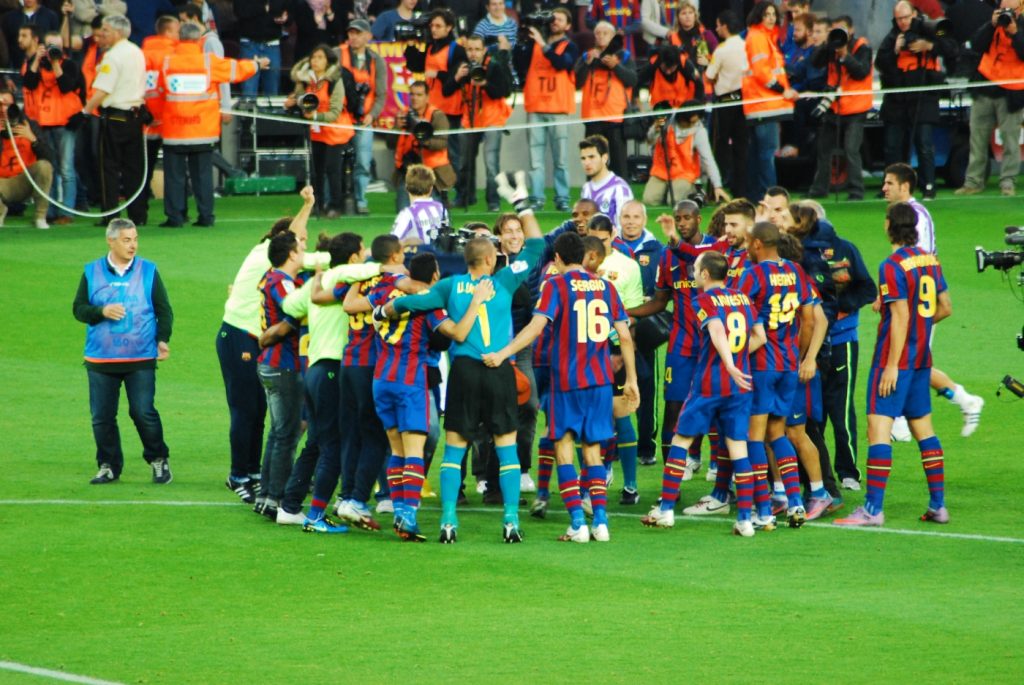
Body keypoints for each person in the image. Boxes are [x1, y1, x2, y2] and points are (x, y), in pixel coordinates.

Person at [376, 171, 545, 544]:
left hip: (465, 371)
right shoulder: (503, 281)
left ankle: (449, 521)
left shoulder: (449, 285)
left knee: (455, 447)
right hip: (500, 367)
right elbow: (536, 246)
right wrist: (521, 202)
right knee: (505, 445)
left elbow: (413, 303)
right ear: (489, 259)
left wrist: (384, 311)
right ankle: (511, 520)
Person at [487, 231, 639, 543]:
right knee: (594, 452)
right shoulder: (607, 287)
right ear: (585, 257)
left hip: (567, 382)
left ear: (556, 258)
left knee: (564, 449)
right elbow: (624, 336)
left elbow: (536, 326)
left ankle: (576, 524)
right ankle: (600, 522)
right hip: (599, 383)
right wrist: (632, 380)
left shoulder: (556, 284)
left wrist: (504, 353)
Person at [835, 202, 952, 527]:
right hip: (920, 363)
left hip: (895, 363)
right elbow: (945, 307)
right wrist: (921, 326)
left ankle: (872, 510)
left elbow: (900, 316)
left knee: (878, 430)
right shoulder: (930, 259)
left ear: (890, 225)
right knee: (924, 431)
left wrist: (890, 365)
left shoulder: (892, 265)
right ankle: (938, 506)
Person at [363, 250, 490, 540]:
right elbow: (457, 332)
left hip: (382, 378)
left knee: (396, 450)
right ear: (435, 276)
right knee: (414, 452)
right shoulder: (429, 305)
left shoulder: (387, 294)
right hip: (410, 382)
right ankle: (408, 514)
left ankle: (399, 510)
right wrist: (475, 303)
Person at [641, 250, 765, 537]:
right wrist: (738, 361)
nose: (692, 273)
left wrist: (729, 363)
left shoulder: (703, 300)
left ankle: (666, 510)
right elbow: (760, 336)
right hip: (740, 386)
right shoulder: (743, 299)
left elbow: (718, 329)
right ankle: (745, 520)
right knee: (738, 447)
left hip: (711, 382)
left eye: (696, 269)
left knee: (682, 440)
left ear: (706, 274)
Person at [218, 188, 322, 503]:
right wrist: (308, 204)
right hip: (238, 335)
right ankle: (238, 475)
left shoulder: (278, 267)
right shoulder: (266, 251)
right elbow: (295, 232)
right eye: (300, 242)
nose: (304, 246)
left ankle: (256, 475)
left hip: (255, 338)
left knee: (262, 411)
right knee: (246, 409)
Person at [882, 163, 985, 438]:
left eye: (889, 183)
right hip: (915, 297)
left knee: (907, 360)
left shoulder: (916, 216)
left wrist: (902, 297)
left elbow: (922, 261)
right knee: (916, 363)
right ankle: (963, 401)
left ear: (904, 186)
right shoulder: (908, 214)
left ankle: (903, 420)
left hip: (919, 299)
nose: (884, 188)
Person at [73, 219, 173, 486]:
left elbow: (164, 310)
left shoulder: (149, 270)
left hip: (140, 356)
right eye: (127, 240)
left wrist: (162, 339)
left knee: (143, 412)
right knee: (102, 417)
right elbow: (79, 309)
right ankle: (108, 466)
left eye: (135, 239)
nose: (133, 245)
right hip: (101, 358)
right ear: (111, 240)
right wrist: (100, 311)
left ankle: (158, 459)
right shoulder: (92, 271)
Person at [628, 200, 716, 476]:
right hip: (681, 344)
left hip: (714, 343)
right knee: (674, 407)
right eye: (678, 218)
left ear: (698, 219)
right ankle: (673, 478)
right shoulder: (667, 256)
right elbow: (659, 301)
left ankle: (713, 465)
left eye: (687, 218)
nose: (682, 223)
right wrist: (626, 313)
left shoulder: (714, 251)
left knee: (716, 405)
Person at [157, 22, 263, 228]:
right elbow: (237, 70)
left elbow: (159, 93)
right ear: (199, 40)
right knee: (203, 176)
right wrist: (258, 64)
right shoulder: (208, 62)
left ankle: (175, 217)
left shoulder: (167, 62)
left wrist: (157, 116)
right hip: (202, 130)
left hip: (174, 130)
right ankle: (206, 216)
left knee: (174, 177)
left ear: (179, 38)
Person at [876, 1, 958, 201]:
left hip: (923, 97)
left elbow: (950, 46)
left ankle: (928, 186)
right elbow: (880, 63)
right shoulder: (892, 36)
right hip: (897, 100)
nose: (902, 22)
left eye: (905, 17)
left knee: (924, 143)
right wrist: (894, 50)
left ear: (913, 14)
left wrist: (929, 46)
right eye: (899, 19)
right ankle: (890, 187)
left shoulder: (930, 29)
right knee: (893, 145)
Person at [252, 231, 308, 520]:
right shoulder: (281, 281)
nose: (305, 249)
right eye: (301, 246)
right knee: (286, 434)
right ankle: (276, 497)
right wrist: (278, 331)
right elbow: (293, 311)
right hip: (283, 364)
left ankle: (265, 495)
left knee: (278, 432)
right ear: (291, 254)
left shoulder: (272, 277)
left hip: (273, 362)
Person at [81, 14, 147, 227]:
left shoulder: (112, 56)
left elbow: (102, 90)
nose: (102, 34)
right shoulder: (137, 51)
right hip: (135, 116)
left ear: (117, 32)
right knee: (134, 170)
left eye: (106, 30)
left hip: (115, 118)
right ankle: (138, 215)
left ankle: (110, 215)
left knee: (108, 168)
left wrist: (86, 110)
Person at [955, 0, 1024, 197]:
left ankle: (1008, 183)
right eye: (1002, 10)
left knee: (1010, 140)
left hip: (1012, 92)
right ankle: (973, 182)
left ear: (1020, 9)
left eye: (1009, 10)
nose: (1005, 14)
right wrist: (990, 25)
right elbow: (974, 45)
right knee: (976, 138)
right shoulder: (992, 25)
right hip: (985, 86)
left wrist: (1014, 32)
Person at [513, 6, 579, 212]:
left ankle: (562, 198)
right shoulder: (534, 44)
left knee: (560, 160)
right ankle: (537, 198)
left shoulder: (570, 46)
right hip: (536, 107)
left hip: (558, 109)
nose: (554, 22)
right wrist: (523, 39)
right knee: (536, 161)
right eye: (553, 19)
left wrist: (542, 44)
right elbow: (519, 63)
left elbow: (562, 64)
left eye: (559, 19)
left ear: (568, 25)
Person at [807, 15, 873, 201]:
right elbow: (815, 62)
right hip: (834, 106)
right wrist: (826, 45)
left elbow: (861, 72)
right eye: (836, 30)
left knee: (851, 149)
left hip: (856, 108)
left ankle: (856, 191)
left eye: (842, 29)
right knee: (823, 148)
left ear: (851, 30)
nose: (840, 34)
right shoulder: (831, 48)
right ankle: (819, 189)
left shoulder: (862, 47)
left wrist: (845, 55)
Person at [285, 43, 354, 219]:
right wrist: (293, 103)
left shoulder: (335, 80)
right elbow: (301, 101)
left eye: (320, 57)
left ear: (328, 61)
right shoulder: (305, 80)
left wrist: (316, 116)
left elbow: (335, 111)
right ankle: (318, 204)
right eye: (313, 57)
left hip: (335, 131)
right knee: (317, 170)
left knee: (333, 169)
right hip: (317, 132)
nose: (315, 61)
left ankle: (335, 206)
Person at [403, 9, 466, 201]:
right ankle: (435, 190)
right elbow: (414, 65)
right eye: (432, 26)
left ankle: (458, 193)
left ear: (449, 28)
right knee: (429, 152)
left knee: (453, 155)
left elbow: (457, 80)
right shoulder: (430, 47)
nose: (433, 29)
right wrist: (411, 44)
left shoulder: (456, 49)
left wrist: (437, 74)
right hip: (432, 109)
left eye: (438, 26)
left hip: (450, 109)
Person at [449, 33, 514, 211]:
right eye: (470, 49)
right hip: (468, 119)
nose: (473, 54)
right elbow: (448, 89)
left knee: (491, 163)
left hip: (492, 119)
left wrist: (484, 83)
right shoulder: (462, 67)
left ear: (484, 50)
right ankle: (464, 197)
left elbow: (504, 91)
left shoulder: (494, 65)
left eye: (477, 49)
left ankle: (493, 201)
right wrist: (457, 77)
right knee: (464, 162)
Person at [742, 1, 796, 202]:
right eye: (767, 14)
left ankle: (757, 196)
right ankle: (772, 197)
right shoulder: (758, 37)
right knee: (766, 155)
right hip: (765, 105)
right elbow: (762, 72)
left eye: (773, 14)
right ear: (758, 16)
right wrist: (784, 90)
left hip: (762, 105)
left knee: (758, 155)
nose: (771, 18)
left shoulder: (764, 37)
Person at [576, 21, 637, 178]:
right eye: (598, 33)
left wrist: (616, 66)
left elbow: (633, 80)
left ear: (612, 36)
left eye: (605, 33)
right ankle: (592, 199)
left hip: (615, 116)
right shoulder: (587, 56)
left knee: (618, 163)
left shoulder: (623, 56)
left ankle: (622, 199)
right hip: (592, 116)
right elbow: (576, 82)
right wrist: (587, 64)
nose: (601, 36)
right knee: (592, 161)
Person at [340, 18, 387, 216]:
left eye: (358, 33)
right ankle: (334, 200)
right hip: (340, 119)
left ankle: (360, 200)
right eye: (351, 33)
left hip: (364, 120)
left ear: (368, 36)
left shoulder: (377, 61)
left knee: (363, 162)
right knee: (335, 163)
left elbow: (381, 94)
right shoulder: (336, 54)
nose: (353, 37)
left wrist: (372, 114)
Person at [643, 99, 728, 206]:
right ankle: (667, 191)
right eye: (690, 122)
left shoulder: (700, 132)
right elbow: (650, 140)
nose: (692, 124)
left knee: (674, 201)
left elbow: (708, 160)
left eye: (695, 122)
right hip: (661, 171)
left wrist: (717, 186)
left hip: (684, 174)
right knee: (649, 200)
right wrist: (655, 129)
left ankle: (694, 190)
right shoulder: (665, 119)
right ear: (681, 118)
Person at [706, 9, 748, 199]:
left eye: (718, 25)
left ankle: (717, 190)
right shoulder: (746, 46)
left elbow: (709, 75)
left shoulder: (721, 49)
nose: (716, 29)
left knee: (720, 148)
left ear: (724, 26)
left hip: (724, 103)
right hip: (744, 101)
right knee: (741, 148)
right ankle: (740, 190)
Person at [0, 84, 55, 229]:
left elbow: (50, 158)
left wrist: (33, 139)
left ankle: (40, 217)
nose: (4, 109)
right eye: (1, 105)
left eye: (7, 105)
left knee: (44, 166)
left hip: (24, 180)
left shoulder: (29, 124)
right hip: (2, 182)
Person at [394, 80, 454, 209]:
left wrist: (422, 138)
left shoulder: (437, 116)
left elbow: (443, 142)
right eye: (412, 94)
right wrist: (396, 128)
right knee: (403, 211)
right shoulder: (404, 115)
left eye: (419, 95)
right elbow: (390, 144)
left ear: (427, 97)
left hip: (433, 173)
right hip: (408, 170)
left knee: (437, 214)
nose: (414, 98)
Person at [233, 0, 288, 100]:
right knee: (249, 89)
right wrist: (263, 8)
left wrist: (286, 18)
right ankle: (248, 115)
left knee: (272, 90)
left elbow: (288, 9)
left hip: (272, 43)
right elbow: (239, 11)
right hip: (249, 43)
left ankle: (270, 115)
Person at [579, 134, 634, 228]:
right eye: (583, 158)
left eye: (591, 157)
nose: (587, 162)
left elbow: (626, 228)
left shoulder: (619, 188)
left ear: (604, 158)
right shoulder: (586, 188)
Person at [391, 164, 448, 245]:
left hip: (417, 256)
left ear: (406, 188)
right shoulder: (441, 208)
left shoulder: (408, 214)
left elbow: (392, 242)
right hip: (439, 256)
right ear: (431, 188)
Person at [640, 43, 702, 108]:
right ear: (661, 62)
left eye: (672, 69)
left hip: (684, 110)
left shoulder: (685, 64)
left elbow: (699, 85)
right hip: (659, 110)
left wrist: (695, 108)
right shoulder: (652, 65)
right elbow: (639, 83)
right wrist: (643, 107)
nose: (668, 72)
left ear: (677, 64)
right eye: (665, 68)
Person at [2, 0, 60, 69]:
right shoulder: (10, 17)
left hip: (43, 68)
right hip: (15, 66)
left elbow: (54, 40)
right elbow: (5, 46)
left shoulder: (50, 16)